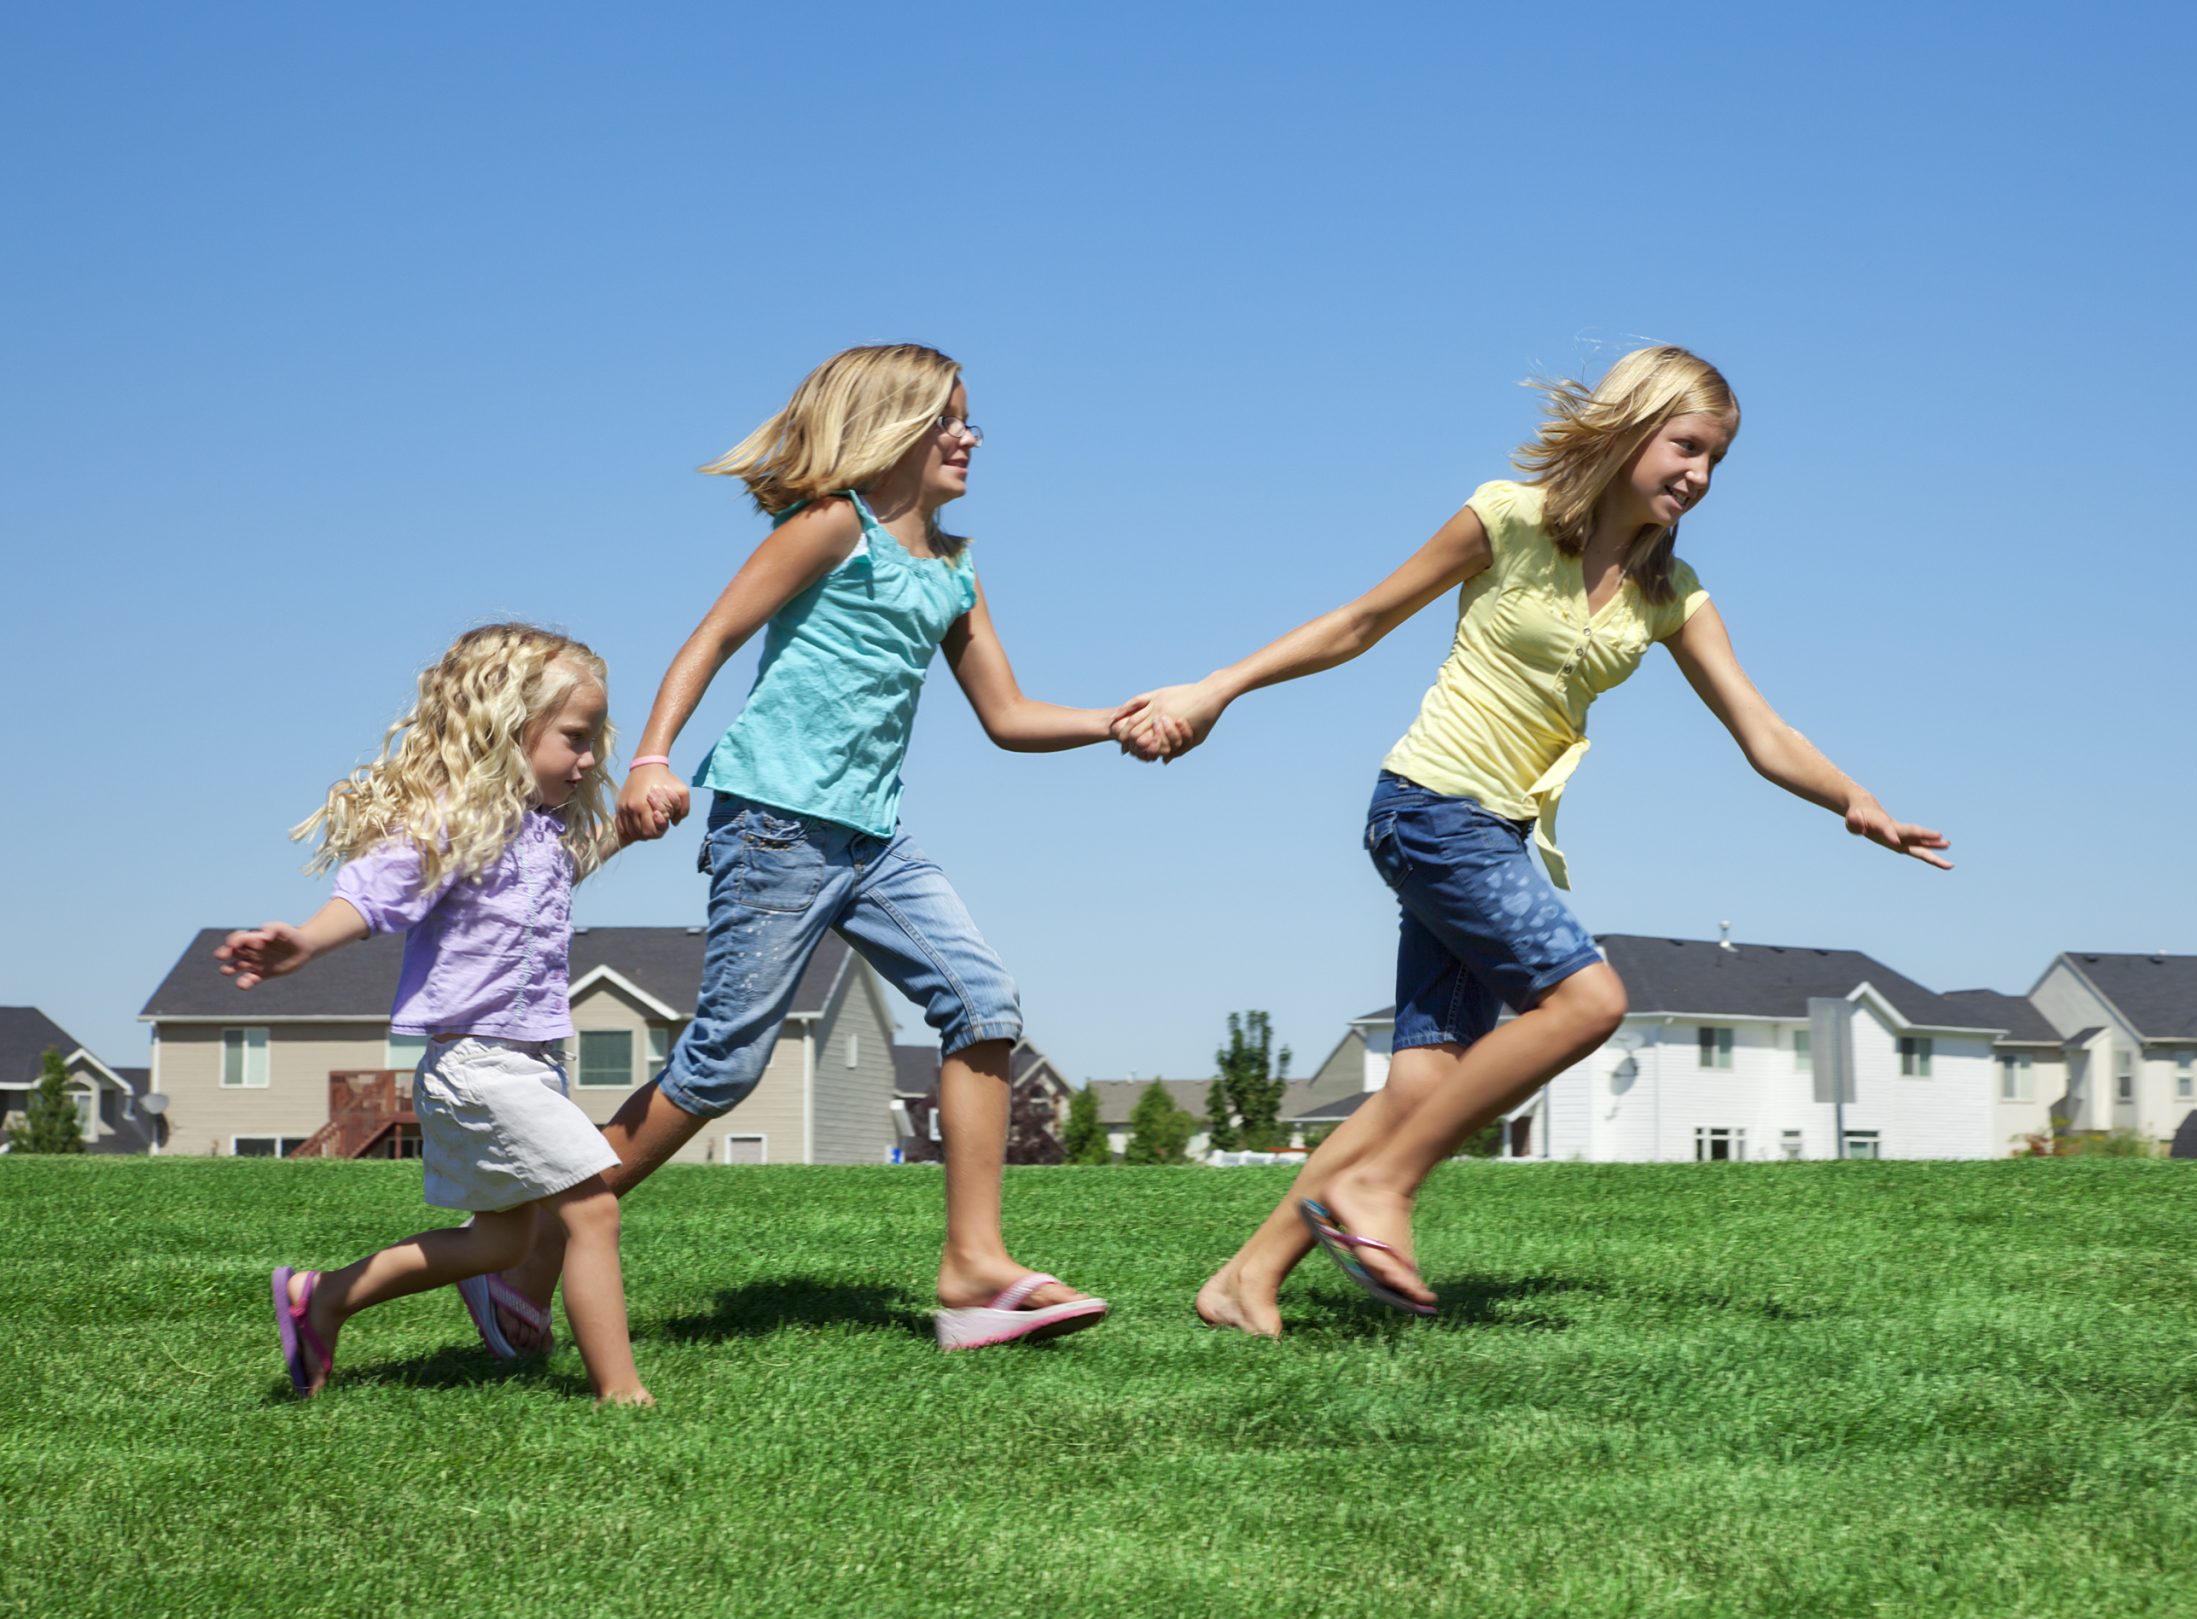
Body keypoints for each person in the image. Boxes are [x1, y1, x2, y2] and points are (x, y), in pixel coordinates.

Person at [1119, 346, 1953, 1336]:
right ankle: (1379, 1189)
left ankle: (1244, 1279)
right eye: (1685, 446)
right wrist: (1213, 689)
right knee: (1589, 999)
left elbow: (1761, 733)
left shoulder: (1668, 592)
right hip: (1429, 806)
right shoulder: (1507, 521)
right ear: (1630, 427)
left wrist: (1854, 799)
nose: (1699, 475)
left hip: (1499, 834)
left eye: (1716, 461)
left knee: (1423, 1081)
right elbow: (1360, 621)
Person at [485, 342, 1122, 1355]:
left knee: (982, 1004)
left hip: (874, 839)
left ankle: (972, 1275)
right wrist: (651, 756)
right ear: (889, 429)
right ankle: (523, 1252)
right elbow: (711, 641)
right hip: (774, 823)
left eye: (969, 419)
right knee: (722, 1065)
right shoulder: (831, 528)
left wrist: (1115, 720)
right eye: (945, 418)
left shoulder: (954, 572)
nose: (969, 436)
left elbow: (1005, 715)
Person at [227, 624, 651, 1403]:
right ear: (507, 726)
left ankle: (324, 1297)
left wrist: (626, 824)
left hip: (526, 1066)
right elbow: (372, 891)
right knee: (593, 1205)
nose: (590, 759)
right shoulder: (455, 819)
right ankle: (623, 1396)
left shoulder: (538, 833)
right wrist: (303, 943)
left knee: (501, 1238)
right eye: (575, 739)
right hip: (478, 1065)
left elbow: (567, 866)